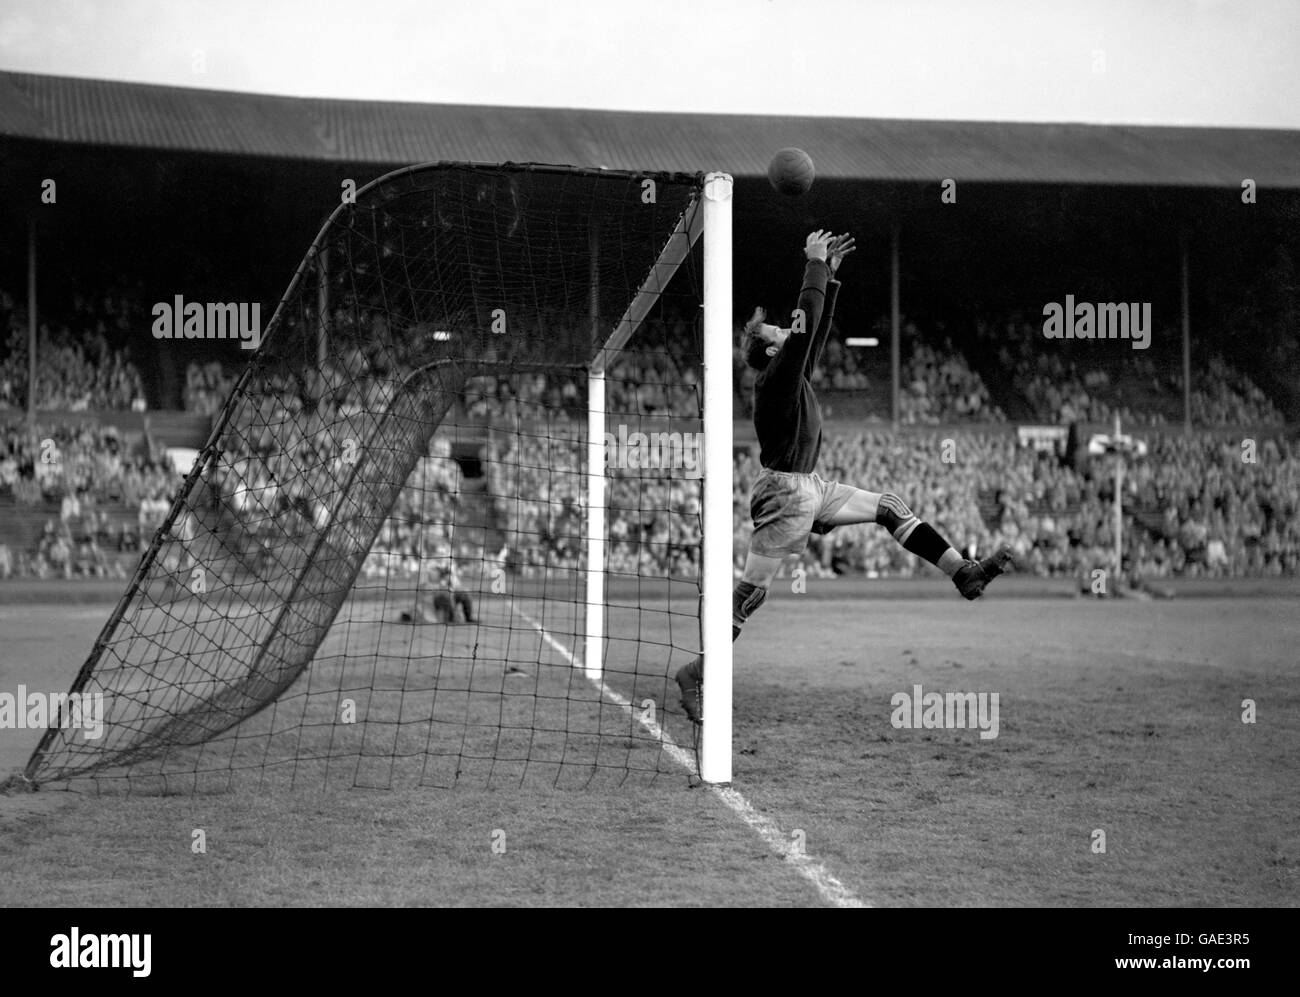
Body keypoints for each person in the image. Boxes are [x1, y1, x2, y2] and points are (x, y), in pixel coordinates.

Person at [675, 230, 1013, 724]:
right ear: (769, 352)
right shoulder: (775, 381)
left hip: (810, 484)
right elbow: (806, 328)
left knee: (888, 506)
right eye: (776, 334)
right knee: (752, 594)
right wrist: (813, 266)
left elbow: (814, 332)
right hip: (786, 494)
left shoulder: (791, 370)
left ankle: (962, 572)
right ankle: (696, 673)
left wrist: (829, 280)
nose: (785, 334)